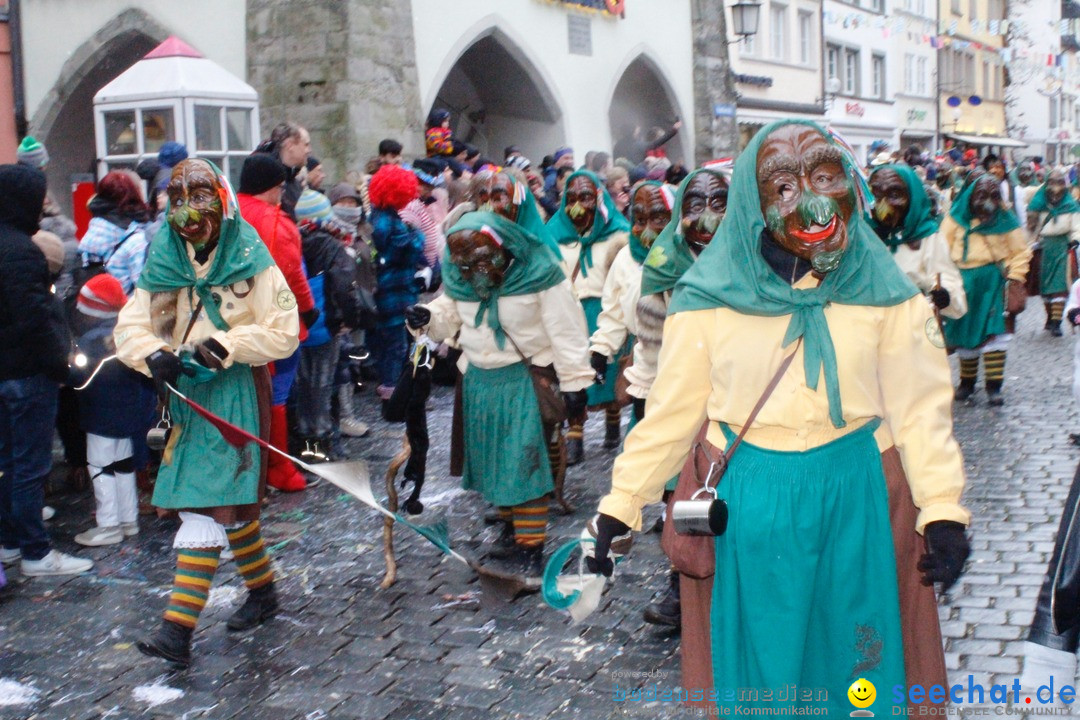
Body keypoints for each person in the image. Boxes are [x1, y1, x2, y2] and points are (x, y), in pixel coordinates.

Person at [588, 121, 970, 716]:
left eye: (824, 177)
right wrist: (619, 507)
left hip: (859, 496)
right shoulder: (708, 295)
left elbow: (921, 408)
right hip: (749, 506)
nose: (811, 201)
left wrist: (942, 508)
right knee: (761, 677)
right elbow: (670, 416)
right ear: (755, 202)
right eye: (785, 187)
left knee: (856, 667)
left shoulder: (887, 291)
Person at [115, 158, 299, 667]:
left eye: (198, 199)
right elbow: (131, 323)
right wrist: (150, 353)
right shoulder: (164, 261)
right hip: (183, 401)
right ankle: (264, 593)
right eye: (177, 200)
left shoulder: (252, 258)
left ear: (220, 202)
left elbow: (284, 329)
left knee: (205, 503)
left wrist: (228, 344)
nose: (187, 214)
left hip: (234, 394)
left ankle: (176, 632)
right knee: (229, 507)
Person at [404, 211, 592, 578]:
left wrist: (575, 384)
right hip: (480, 382)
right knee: (494, 464)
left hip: (524, 381)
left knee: (524, 466)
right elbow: (449, 311)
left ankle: (531, 550)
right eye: (465, 262)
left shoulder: (541, 276)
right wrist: (426, 317)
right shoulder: (463, 278)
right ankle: (510, 535)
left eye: (482, 258)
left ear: (502, 246)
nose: (475, 268)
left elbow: (567, 331)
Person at [0, 163, 93, 577]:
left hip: (7, 371)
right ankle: (36, 552)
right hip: (26, 372)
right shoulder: (21, 250)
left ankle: (10, 543)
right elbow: (34, 318)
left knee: (9, 462)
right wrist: (62, 366)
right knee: (29, 466)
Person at [238, 153, 317, 492]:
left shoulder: (228, 215)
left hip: (233, 323)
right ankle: (279, 469)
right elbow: (290, 274)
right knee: (277, 397)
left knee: (244, 398)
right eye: (280, 187)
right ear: (270, 188)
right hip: (274, 322)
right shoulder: (274, 221)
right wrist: (307, 307)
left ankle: (247, 471)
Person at [546, 169, 631, 463]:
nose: (578, 205)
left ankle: (612, 418)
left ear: (598, 198)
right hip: (569, 313)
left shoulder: (619, 232)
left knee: (606, 371)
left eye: (585, 197)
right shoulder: (553, 235)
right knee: (573, 374)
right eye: (571, 198)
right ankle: (575, 435)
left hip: (606, 310)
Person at [69, 274, 155, 546]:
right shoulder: (129, 334)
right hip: (129, 416)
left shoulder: (89, 342)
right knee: (124, 466)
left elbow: (77, 378)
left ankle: (108, 525)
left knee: (100, 466)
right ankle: (129, 519)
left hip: (100, 416)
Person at [941, 172, 1031, 405]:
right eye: (981, 195)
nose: (987, 201)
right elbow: (940, 251)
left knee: (995, 332)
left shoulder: (1005, 220)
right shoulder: (955, 219)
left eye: (993, 195)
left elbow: (1020, 251)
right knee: (965, 331)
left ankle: (994, 386)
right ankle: (967, 383)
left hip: (994, 283)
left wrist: (1015, 277)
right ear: (971, 197)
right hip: (964, 282)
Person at [292, 190, 365, 459]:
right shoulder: (332, 245)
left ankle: (303, 444)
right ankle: (320, 448)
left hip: (299, 325)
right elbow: (345, 286)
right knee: (323, 388)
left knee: (302, 387)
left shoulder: (294, 239)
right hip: (326, 325)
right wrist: (351, 319)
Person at [868, 164, 967, 321]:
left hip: (911, 324)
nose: (883, 205)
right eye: (877, 196)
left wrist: (944, 294)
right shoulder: (865, 234)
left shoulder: (928, 237)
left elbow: (947, 279)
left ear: (912, 196)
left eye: (894, 195)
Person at [369, 164, 426, 404]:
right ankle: (392, 390)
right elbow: (410, 249)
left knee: (388, 340)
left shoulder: (376, 217)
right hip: (397, 289)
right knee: (397, 342)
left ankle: (388, 384)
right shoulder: (392, 222)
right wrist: (418, 234)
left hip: (384, 287)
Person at [77, 171, 151, 295]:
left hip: (94, 310)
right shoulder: (135, 240)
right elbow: (144, 292)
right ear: (134, 194)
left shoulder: (93, 231)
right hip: (125, 311)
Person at [1026, 169, 1080, 336]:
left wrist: (1075, 239)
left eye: (1059, 183)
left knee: (1060, 286)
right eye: (1052, 183)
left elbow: (1077, 225)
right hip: (1043, 248)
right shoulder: (1038, 203)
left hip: (1062, 247)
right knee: (1045, 287)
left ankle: (1056, 322)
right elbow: (1031, 229)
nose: (1056, 188)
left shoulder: (1070, 205)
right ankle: (1050, 317)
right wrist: (1030, 243)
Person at [256, 123, 310, 219]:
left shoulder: (292, 178)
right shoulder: (268, 182)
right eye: (306, 144)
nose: (308, 150)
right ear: (290, 145)